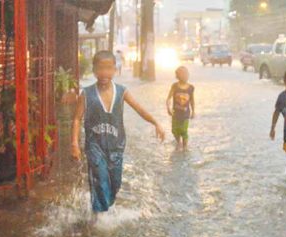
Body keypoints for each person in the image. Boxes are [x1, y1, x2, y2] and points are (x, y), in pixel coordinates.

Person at [71, 50, 166, 213]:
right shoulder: (86, 94)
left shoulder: (122, 92)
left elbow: (139, 109)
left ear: (115, 70)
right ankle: (98, 218)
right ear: (94, 70)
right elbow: (77, 119)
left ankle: (104, 208)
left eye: (108, 68)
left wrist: (156, 122)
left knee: (115, 184)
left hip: (117, 147)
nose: (104, 73)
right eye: (100, 68)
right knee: (100, 180)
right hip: (94, 146)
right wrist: (74, 143)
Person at [165, 66, 195, 151]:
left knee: (184, 131)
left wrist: (193, 111)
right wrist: (168, 108)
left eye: (187, 74)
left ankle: (185, 147)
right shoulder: (175, 86)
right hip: (175, 114)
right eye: (183, 74)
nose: (186, 76)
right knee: (174, 130)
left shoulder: (191, 88)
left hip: (185, 114)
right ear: (178, 76)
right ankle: (178, 142)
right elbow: (168, 98)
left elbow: (192, 100)